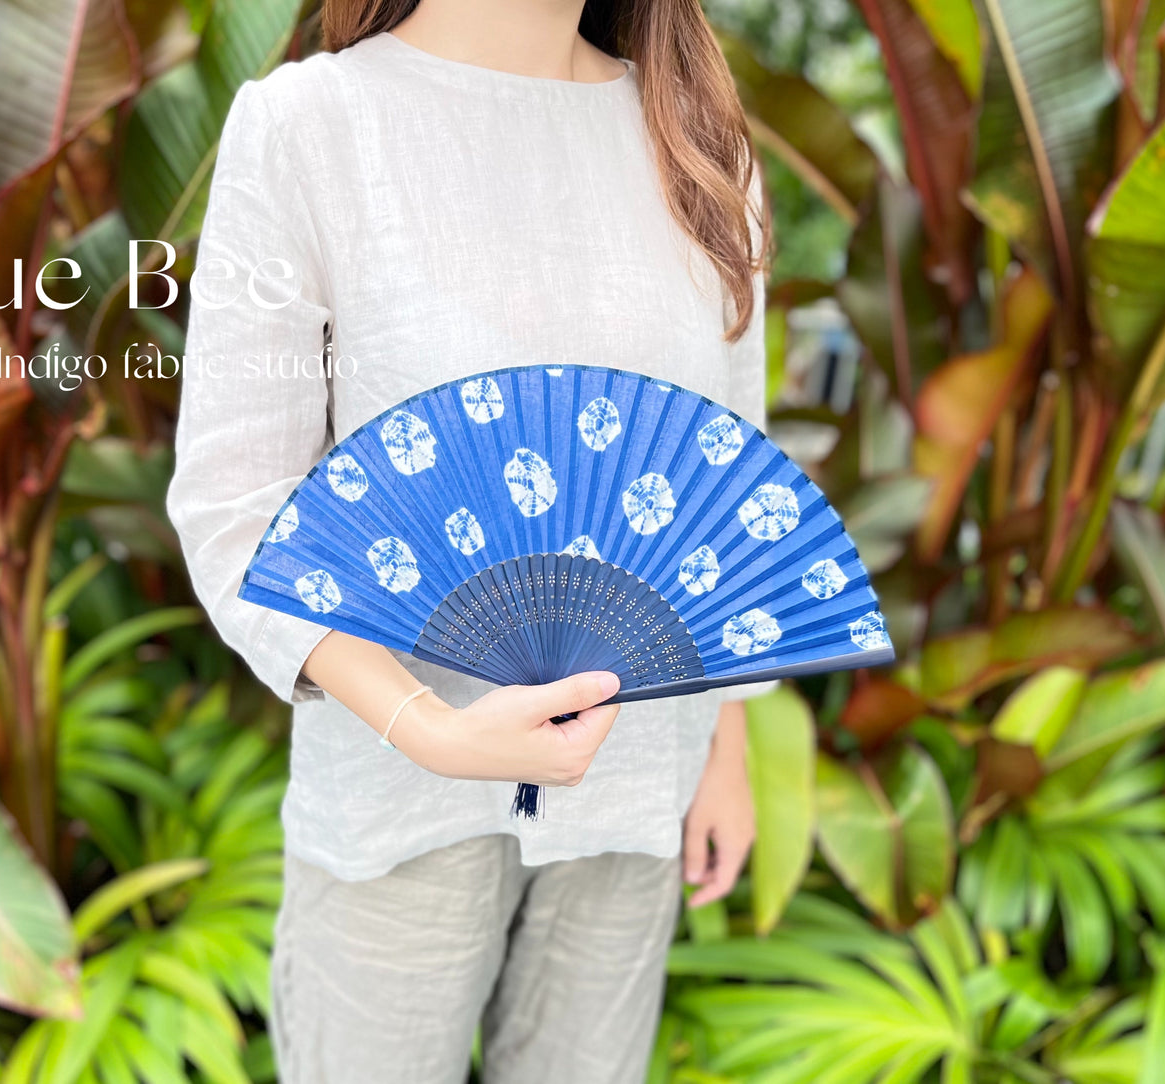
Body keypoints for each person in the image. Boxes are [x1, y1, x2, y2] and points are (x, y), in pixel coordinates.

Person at [166, 0, 772, 1079]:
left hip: (638, 779)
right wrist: (429, 729)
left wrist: (721, 742)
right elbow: (235, 506)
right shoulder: (310, 128)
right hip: (398, 795)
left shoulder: (699, 140)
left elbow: (724, 470)